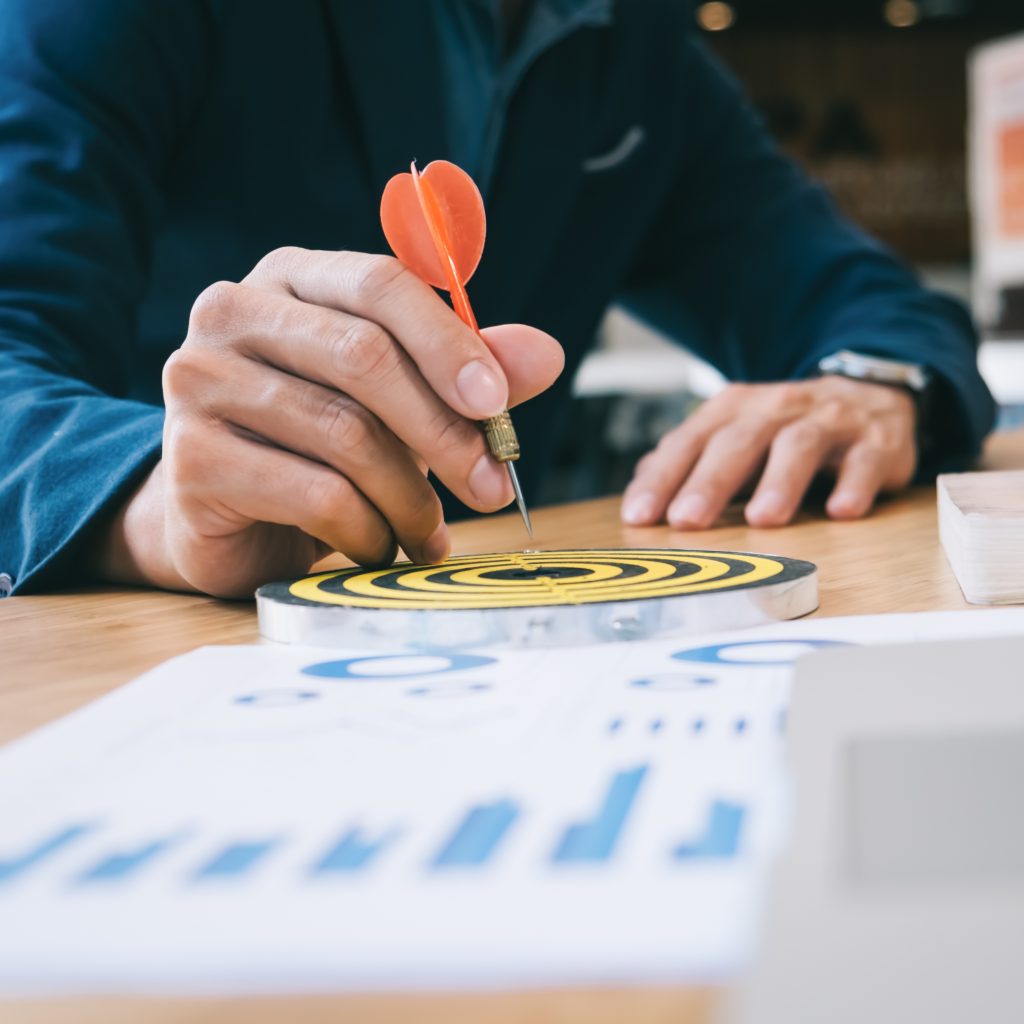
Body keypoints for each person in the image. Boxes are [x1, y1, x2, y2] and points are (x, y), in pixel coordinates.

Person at [0, 0, 995, 599]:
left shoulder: (626, 49)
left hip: (502, 663)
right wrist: (158, 505)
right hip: (172, 665)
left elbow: (864, 302)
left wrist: (872, 384)